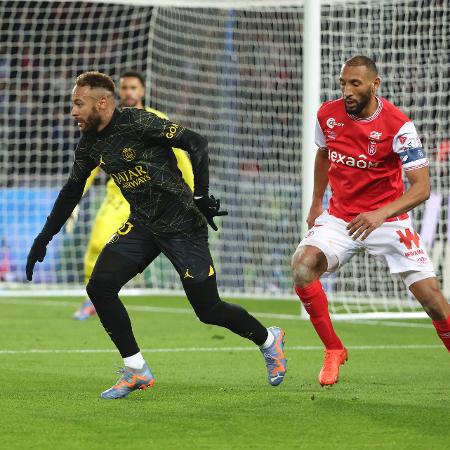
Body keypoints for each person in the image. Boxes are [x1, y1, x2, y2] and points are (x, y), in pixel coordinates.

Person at [26, 71, 287, 398]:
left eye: (79, 104)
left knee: (208, 310)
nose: (73, 112)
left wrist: (201, 195)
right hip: (144, 225)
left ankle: (268, 340)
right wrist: (44, 236)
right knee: (100, 287)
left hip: (182, 224)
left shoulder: (137, 122)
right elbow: (71, 191)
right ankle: (136, 369)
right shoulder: (90, 143)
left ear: (102, 102)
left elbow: (196, 142)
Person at [291, 55, 450, 386]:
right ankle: (334, 349)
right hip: (340, 218)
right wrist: (316, 202)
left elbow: (422, 189)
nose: (347, 91)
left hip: (388, 220)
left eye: (355, 84)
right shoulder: (327, 115)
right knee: (302, 265)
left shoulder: (399, 126)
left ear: (375, 84)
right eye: (343, 83)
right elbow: (323, 154)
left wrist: (381, 213)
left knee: (434, 301)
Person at [72, 70, 194, 320]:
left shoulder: (156, 119)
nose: (128, 92)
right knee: (96, 244)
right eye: (124, 88)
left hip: (156, 199)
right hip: (118, 198)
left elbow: (182, 157)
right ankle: (91, 299)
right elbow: (90, 165)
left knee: (182, 251)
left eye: (133, 88)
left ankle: (201, 297)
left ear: (142, 91)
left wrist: (192, 194)